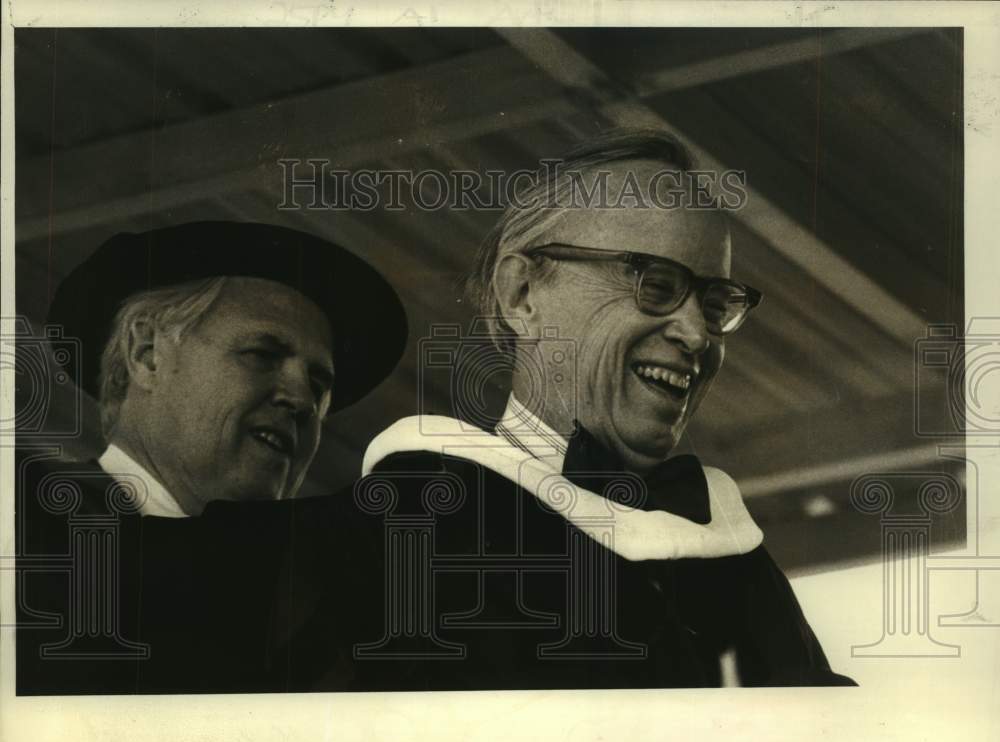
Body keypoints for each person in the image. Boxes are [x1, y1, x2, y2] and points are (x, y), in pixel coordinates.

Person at [346, 130, 855, 689]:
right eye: (654, 283)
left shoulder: (738, 565)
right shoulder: (414, 528)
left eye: (714, 305)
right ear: (523, 296)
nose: (695, 334)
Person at [16, 221, 407, 694]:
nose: (301, 400)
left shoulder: (318, 619)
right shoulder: (21, 523)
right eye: (262, 354)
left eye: (319, 385)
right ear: (147, 355)